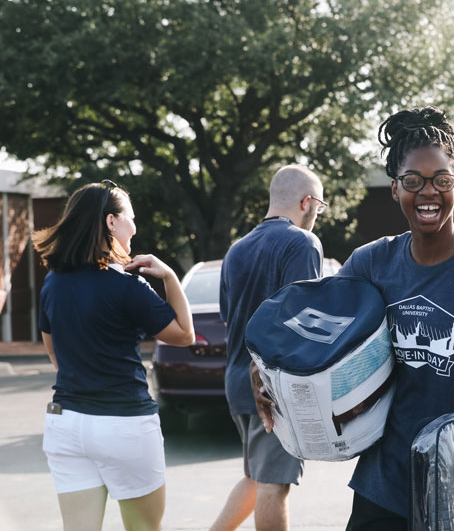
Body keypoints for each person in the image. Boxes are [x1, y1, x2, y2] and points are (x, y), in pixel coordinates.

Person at [255, 106, 454, 530]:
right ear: (395, 190)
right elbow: (313, 324)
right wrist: (265, 368)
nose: (428, 192)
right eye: (413, 181)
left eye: (441, 180)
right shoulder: (371, 263)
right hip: (389, 472)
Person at [34, 180, 195, 531]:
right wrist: (169, 276)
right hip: (124, 424)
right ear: (111, 222)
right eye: (130, 219)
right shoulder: (126, 285)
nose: (134, 227)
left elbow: (55, 354)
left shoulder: (53, 283)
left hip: (66, 423)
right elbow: (185, 334)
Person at [210, 165, 326, 531]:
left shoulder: (236, 249)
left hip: (237, 380)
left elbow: (230, 319)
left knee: (257, 478)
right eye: (319, 207)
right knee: (274, 486)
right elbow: (303, 322)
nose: (317, 217)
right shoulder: (302, 244)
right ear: (306, 202)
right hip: (274, 387)